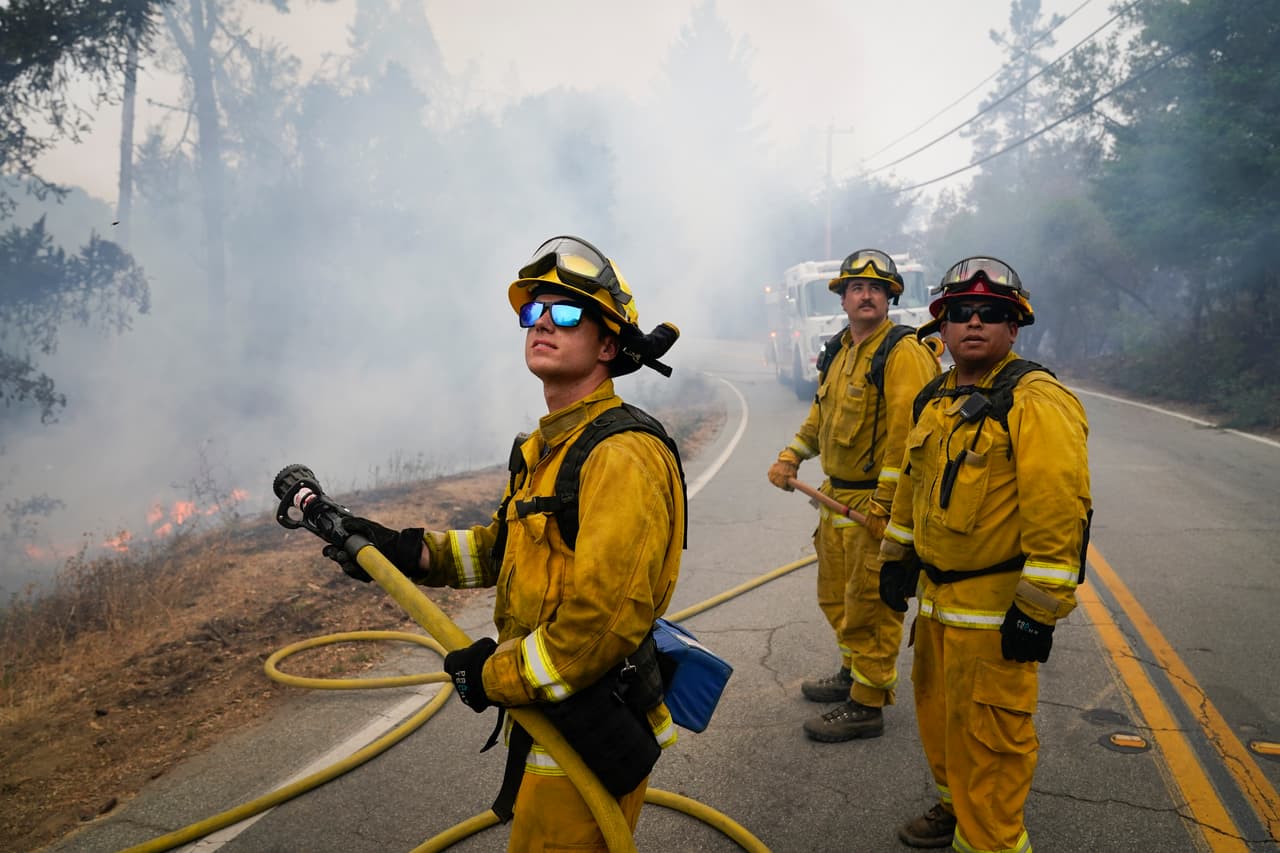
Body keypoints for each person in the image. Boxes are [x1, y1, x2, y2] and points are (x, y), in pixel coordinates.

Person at [321, 235, 686, 852]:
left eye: (566, 312)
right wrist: (399, 552)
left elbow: (601, 625)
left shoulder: (620, 455)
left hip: (591, 723)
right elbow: (501, 549)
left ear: (607, 344)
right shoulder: (549, 448)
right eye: (532, 310)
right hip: (550, 717)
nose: (542, 321)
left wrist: (494, 676)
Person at [878, 256, 1092, 851]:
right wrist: (897, 555)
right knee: (942, 719)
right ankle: (953, 807)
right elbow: (911, 486)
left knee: (993, 741)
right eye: (961, 313)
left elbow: (1060, 509)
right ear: (941, 329)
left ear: (1014, 328)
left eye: (991, 314)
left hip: (996, 612)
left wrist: (1040, 606)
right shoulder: (934, 397)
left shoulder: (1035, 399)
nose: (975, 323)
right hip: (939, 603)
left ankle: (991, 840)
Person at [766, 248, 940, 742]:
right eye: (856, 288)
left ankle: (867, 704)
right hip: (834, 499)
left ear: (891, 298)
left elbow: (909, 436)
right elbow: (820, 418)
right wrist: (790, 456)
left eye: (876, 289)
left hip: (873, 505)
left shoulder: (902, 352)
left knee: (872, 605)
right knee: (838, 599)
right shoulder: (840, 350)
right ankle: (851, 675)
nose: (866, 295)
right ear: (843, 299)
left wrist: (888, 505)